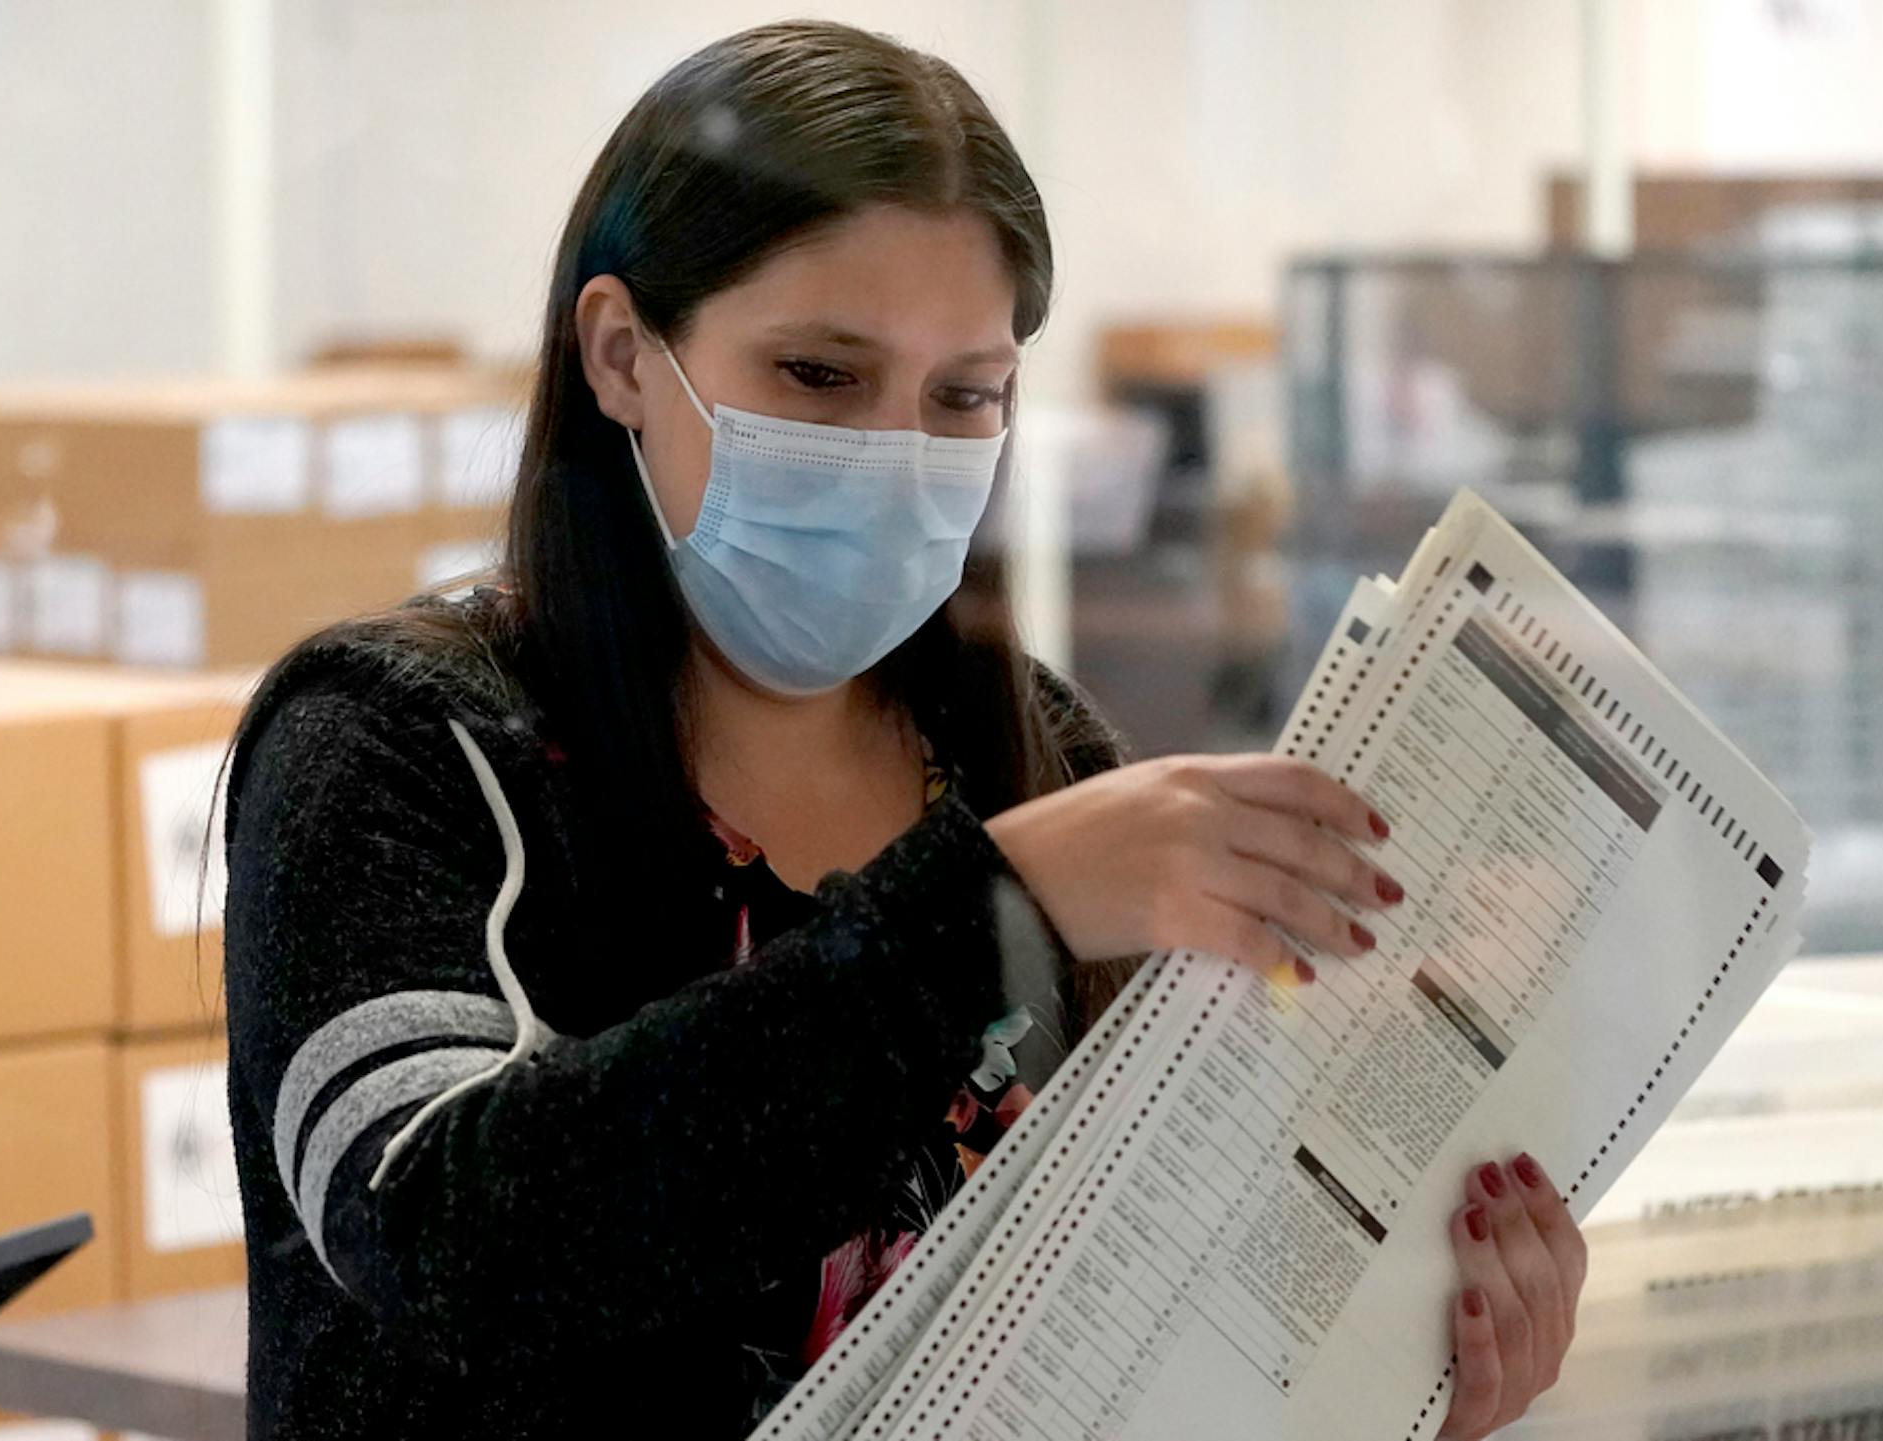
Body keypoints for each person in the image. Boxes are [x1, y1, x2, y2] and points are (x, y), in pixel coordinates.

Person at [220, 20, 1586, 1440]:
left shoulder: (1026, 745)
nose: (895, 454)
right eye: (820, 375)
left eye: (964, 396)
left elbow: (1153, 1301)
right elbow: (454, 1243)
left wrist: (1397, 1370)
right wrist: (1000, 907)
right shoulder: (398, 747)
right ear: (624, 355)